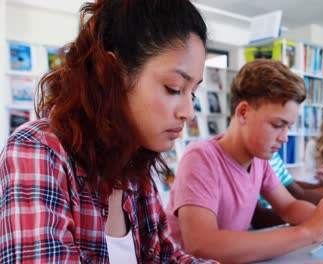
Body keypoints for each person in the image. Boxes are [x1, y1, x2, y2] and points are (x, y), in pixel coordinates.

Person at [0, 0, 217, 263]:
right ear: (109, 73)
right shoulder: (38, 149)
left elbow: (167, 257)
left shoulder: (135, 171)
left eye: (192, 93)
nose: (188, 111)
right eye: (174, 87)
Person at [166, 59, 323, 263]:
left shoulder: (259, 160)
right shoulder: (201, 158)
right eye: (278, 125)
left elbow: (289, 206)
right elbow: (202, 245)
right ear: (243, 112)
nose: (285, 137)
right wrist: (309, 232)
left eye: (288, 127)